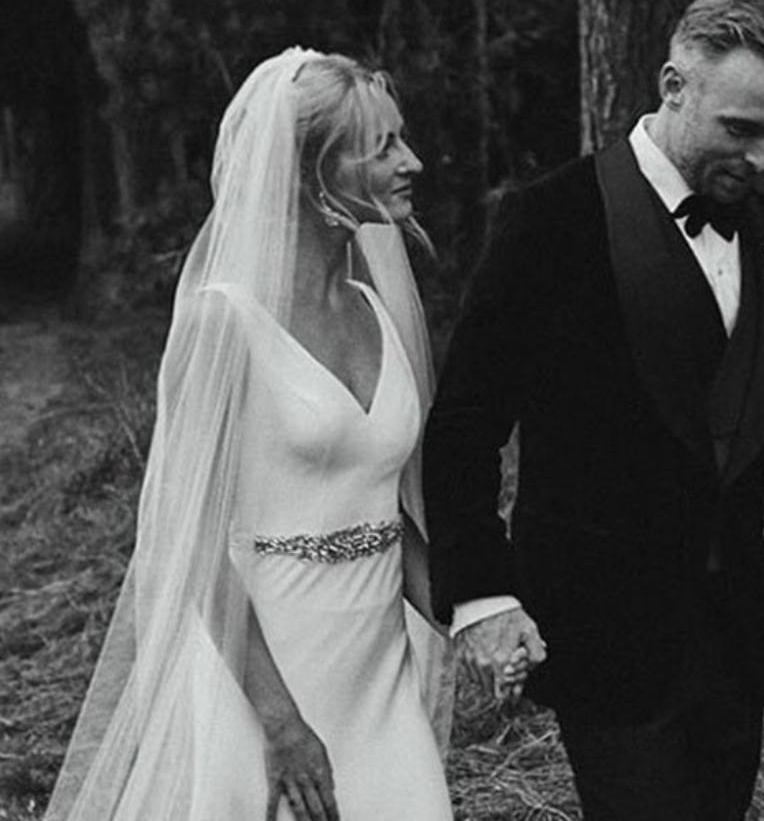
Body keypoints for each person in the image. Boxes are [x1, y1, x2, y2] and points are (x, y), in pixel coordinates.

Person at [423, 0, 764, 821]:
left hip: (732, 639)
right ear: (673, 86)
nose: (762, 160)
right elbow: (465, 425)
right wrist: (482, 596)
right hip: (600, 634)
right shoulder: (550, 221)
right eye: (742, 129)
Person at [43, 48, 493, 821]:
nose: (411, 162)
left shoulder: (375, 306)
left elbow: (387, 513)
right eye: (382, 146)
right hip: (265, 670)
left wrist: (475, 618)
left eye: (402, 138)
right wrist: (280, 723)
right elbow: (190, 547)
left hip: (377, 672)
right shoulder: (223, 322)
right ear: (309, 170)